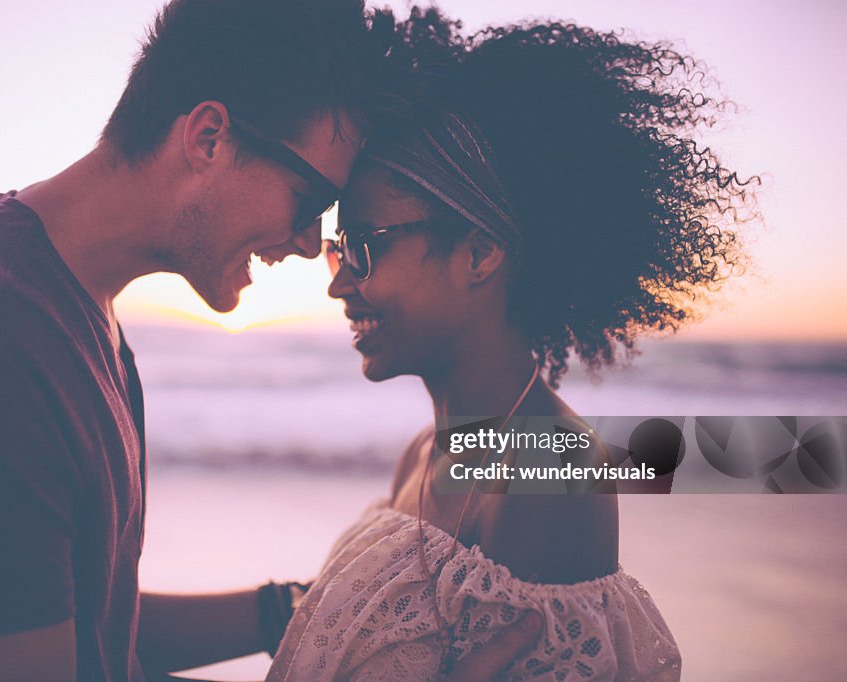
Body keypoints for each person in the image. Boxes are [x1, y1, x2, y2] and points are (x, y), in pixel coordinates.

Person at [0, 1, 390, 680]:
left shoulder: (78, 314)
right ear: (209, 139)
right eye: (311, 202)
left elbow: (88, 631)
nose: (308, 245)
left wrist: (297, 613)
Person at [269, 11, 757, 681]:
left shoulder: (547, 477)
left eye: (364, 248)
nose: (339, 285)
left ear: (480, 252)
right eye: (336, 250)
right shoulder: (427, 451)